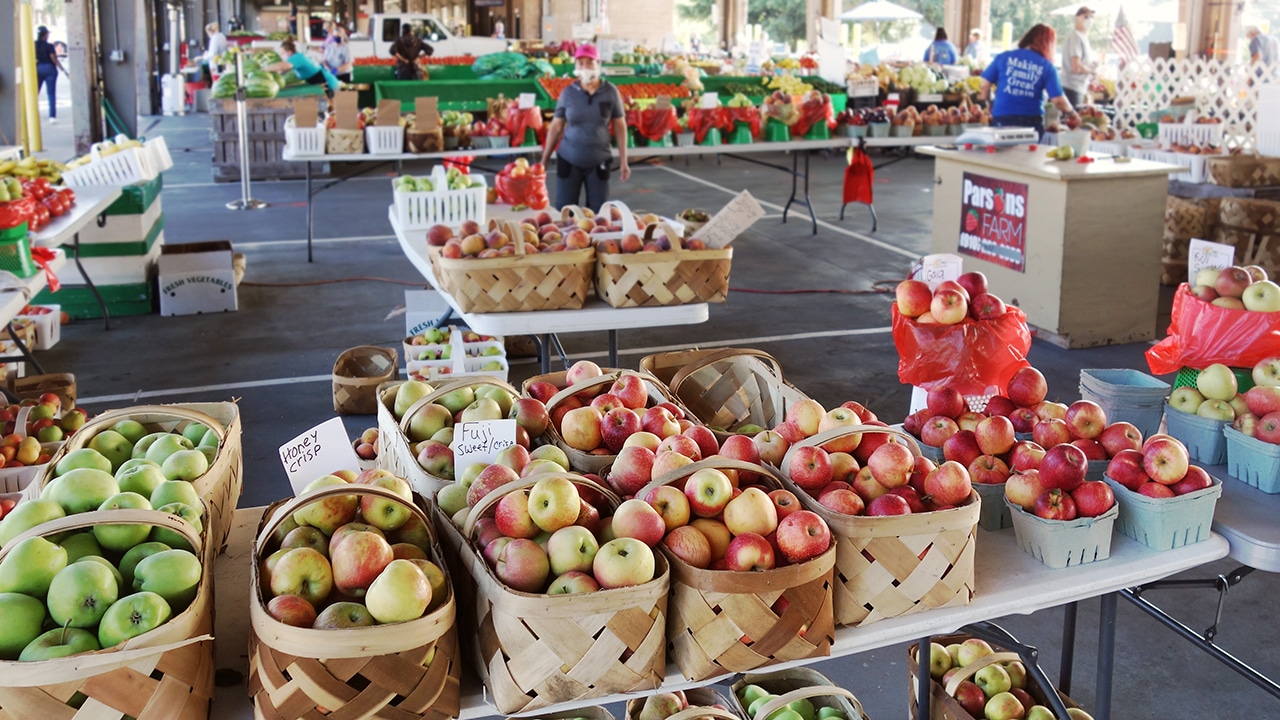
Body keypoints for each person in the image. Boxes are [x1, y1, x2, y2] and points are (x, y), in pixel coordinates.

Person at [540, 44, 631, 212]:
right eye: (580, 63)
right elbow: (556, 126)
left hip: (599, 161)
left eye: (590, 62)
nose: (585, 67)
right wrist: (544, 160)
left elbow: (620, 127)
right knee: (564, 211)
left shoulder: (610, 92)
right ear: (575, 66)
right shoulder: (568, 93)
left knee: (598, 213)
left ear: (598, 65)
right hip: (569, 159)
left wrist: (624, 161)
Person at [979, 24, 1078, 135]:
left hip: (1002, 118)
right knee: (1028, 152)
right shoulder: (1047, 66)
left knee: (1002, 151)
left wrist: (989, 102)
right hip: (1030, 122)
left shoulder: (1003, 57)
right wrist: (1072, 112)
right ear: (1049, 44)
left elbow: (984, 85)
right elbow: (1058, 100)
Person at [262, 40, 339, 98]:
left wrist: (263, 70)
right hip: (324, 83)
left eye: (282, 54)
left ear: (289, 52)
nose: (281, 56)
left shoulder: (296, 58)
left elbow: (281, 66)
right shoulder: (297, 58)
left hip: (329, 85)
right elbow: (282, 71)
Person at [1061, 7, 1098, 108]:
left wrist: (1091, 67)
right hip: (1071, 87)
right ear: (1077, 18)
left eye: (1091, 17)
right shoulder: (1075, 36)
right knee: (1073, 120)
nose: (1089, 20)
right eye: (1086, 16)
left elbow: (1082, 63)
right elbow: (1076, 66)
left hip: (1078, 87)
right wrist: (1091, 71)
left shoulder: (1083, 37)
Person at [34, 26, 63, 122]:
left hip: (38, 68)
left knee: (35, 93)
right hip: (49, 69)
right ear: (45, 34)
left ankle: (33, 114)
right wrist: (62, 69)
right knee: (51, 93)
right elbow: (53, 58)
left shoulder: (34, 45)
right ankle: (52, 116)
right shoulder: (49, 46)